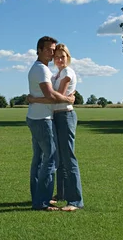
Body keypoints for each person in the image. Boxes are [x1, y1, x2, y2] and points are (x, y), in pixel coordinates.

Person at [28, 43, 84, 211]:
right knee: (58, 158)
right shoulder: (57, 73)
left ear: (68, 58)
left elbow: (56, 98)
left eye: (63, 56)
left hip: (65, 116)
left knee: (69, 158)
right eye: (57, 56)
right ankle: (61, 195)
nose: (59, 59)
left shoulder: (67, 72)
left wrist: (33, 99)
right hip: (56, 117)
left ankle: (75, 201)